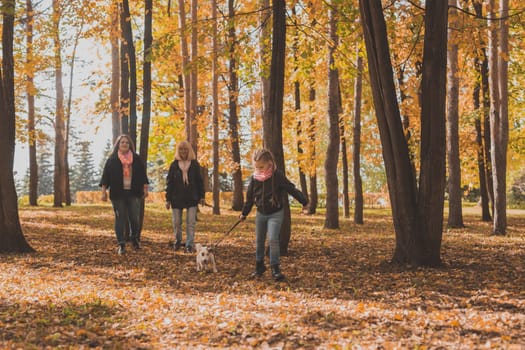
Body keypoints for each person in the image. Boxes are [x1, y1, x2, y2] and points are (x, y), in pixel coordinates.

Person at [240, 148, 308, 281]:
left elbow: (290, 188)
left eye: (262, 166)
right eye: (257, 167)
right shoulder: (255, 179)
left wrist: (304, 201)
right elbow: (249, 198)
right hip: (261, 213)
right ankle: (259, 266)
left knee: (273, 239)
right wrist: (244, 213)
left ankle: (275, 268)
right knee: (259, 241)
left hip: (275, 213)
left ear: (270, 163)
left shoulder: (277, 176)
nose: (259, 169)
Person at [100, 134, 149, 255]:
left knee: (134, 219)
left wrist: (145, 189)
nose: (124, 144)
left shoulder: (136, 159)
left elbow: (143, 176)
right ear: (118, 144)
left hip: (134, 193)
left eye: (127, 142)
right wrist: (103, 192)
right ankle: (121, 244)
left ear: (130, 145)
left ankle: (135, 239)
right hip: (118, 194)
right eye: (122, 142)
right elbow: (105, 177)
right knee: (120, 219)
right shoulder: (112, 160)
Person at [165, 140, 205, 253]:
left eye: (185, 149)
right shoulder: (174, 165)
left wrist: (202, 196)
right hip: (176, 198)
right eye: (181, 149)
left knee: (191, 223)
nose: (183, 151)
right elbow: (169, 183)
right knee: (176, 222)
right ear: (178, 151)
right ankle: (177, 240)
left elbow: (199, 181)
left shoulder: (194, 164)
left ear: (189, 151)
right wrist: (168, 199)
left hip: (191, 197)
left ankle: (189, 244)